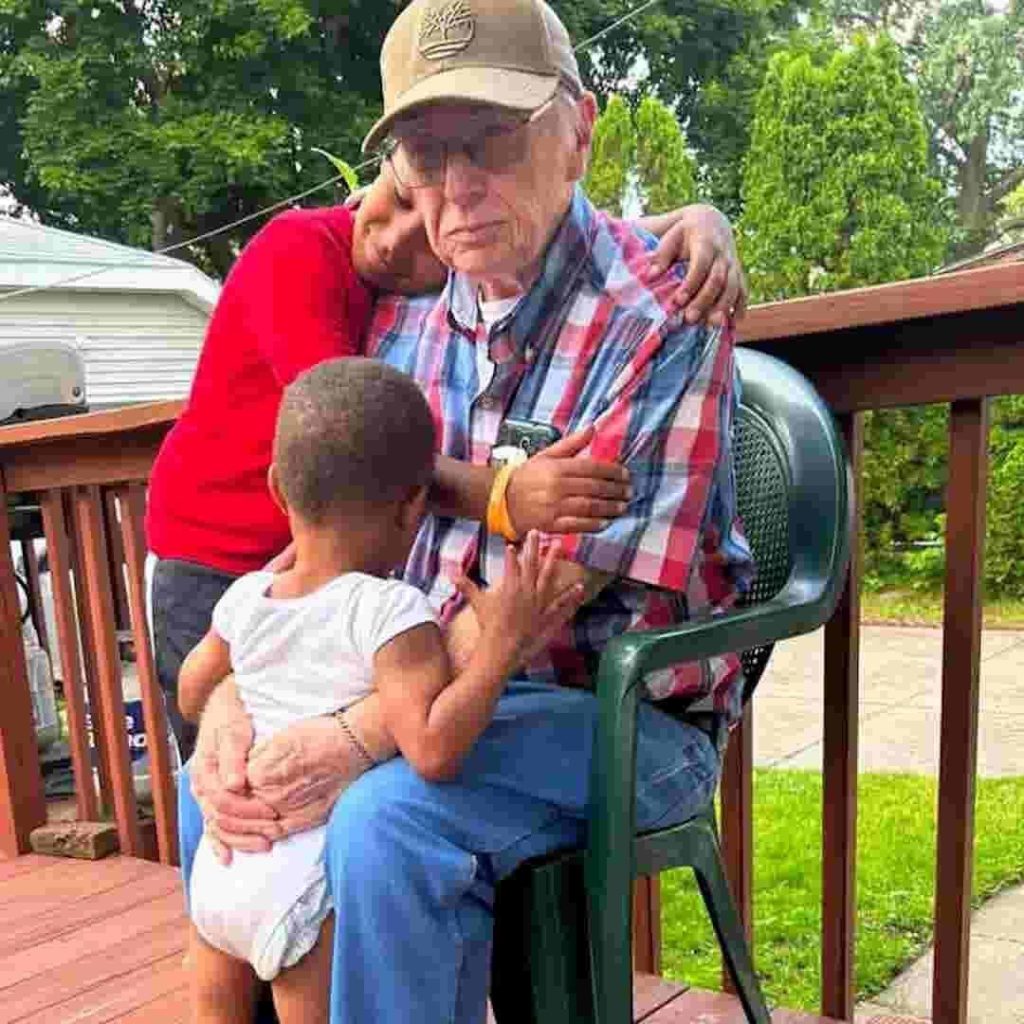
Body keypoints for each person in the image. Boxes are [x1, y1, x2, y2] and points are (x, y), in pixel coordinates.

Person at [180, 2, 756, 1021]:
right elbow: (316, 540)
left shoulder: (662, 317)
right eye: (423, 149)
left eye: (491, 137)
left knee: (383, 821)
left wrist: (356, 732)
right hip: (422, 692)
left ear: (578, 131)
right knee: (221, 793)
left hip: (615, 711)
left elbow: (544, 597)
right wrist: (234, 702)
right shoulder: (397, 321)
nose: (455, 184)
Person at [146, 163, 747, 763]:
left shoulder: (398, 282)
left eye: (424, 234)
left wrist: (699, 219)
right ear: (371, 180)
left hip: (313, 566)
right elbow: (355, 453)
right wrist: (502, 496)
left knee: (300, 794)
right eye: (404, 194)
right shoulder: (295, 249)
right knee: (222, 779)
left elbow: (556, 231)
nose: (394, 240)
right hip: (212, 555)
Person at [180, 358, 582, 1023]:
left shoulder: (247, 597)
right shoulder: (393, 614)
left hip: (223, 875)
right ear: (414, 507)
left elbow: (194, 686)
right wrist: (500, 650)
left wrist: (231, 710)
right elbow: (430, 749)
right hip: (303, 889)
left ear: (278, 490)